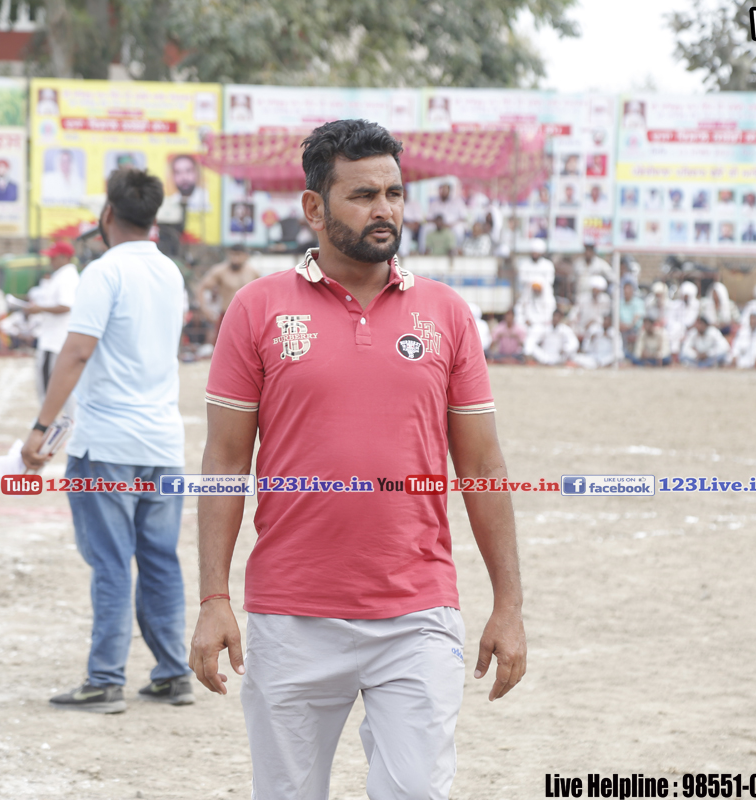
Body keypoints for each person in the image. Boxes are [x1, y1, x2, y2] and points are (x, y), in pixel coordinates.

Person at [191, 119, 525, 799]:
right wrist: (214, 598)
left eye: (394, 194)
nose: (385, 210)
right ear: (314, 208)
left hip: (417, 615)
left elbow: (483, 468)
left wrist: (509, 606)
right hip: (291, 613)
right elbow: (224, 462)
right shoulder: (257, 309)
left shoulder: (447, 314)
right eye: (364, 195)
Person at [23, 167, 191, 714]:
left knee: (113, 562)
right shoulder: (170, 272)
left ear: (108, 214)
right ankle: (173, 673)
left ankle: (104, 679)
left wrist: (41, 428)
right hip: (162, 442)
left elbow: (76, 352)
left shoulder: (103, 271)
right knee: (161, 559)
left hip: (108, 445)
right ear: (154, 216)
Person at [28, 242, 80, 412]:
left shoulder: (66, 277)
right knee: (58, 386)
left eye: (53, 257)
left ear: (64, 258)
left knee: (49, 386)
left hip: (55, 341)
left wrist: (39, 308)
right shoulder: (63, 275)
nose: (50, 260)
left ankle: (48, 423)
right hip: (56, 338)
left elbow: (66, 306)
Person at [195, 244, 259, 344]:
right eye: (232, 255)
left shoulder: (253, 272)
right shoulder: (220, 271)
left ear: (245, 256)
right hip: (226, 315)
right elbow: (201, 287)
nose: (235, 259)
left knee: (248, 347)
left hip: (247, 317)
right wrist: (204, 310)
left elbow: (261, 294)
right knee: (222, 346)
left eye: (238, 255)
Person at [618, 281, 645, 356]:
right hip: (621, 328)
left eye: (628, 289)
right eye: (625, 289)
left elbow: (637, 317)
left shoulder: (638, 302)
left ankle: (635, 356)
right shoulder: (619, 303)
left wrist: (628, 326)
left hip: (635, 328)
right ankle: (620, 355)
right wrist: (621, 325)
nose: (626, 291)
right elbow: (616, 317)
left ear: (632, 291)